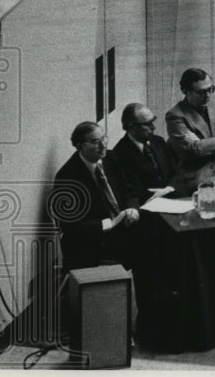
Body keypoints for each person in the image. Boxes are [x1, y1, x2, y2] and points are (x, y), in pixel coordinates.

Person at [51, 121, 141, 271]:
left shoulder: (111, 158)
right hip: (93, 241)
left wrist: (133, 209)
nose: (103, 145)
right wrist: (110, 224)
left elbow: (129, 190)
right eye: (95, 142)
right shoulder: (67, 176)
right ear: (80, 146)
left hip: (121, 228)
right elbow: (70, 225)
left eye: (104, 138)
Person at [112, 103, 178, 204]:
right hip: (147, 207)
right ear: (131, 127)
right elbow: (132, 191)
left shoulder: (158, 141)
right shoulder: (119, 153)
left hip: (173, 198)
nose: (153, 127)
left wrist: (168, 189)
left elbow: (176, 173)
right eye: (147, 124)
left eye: (153, 121)